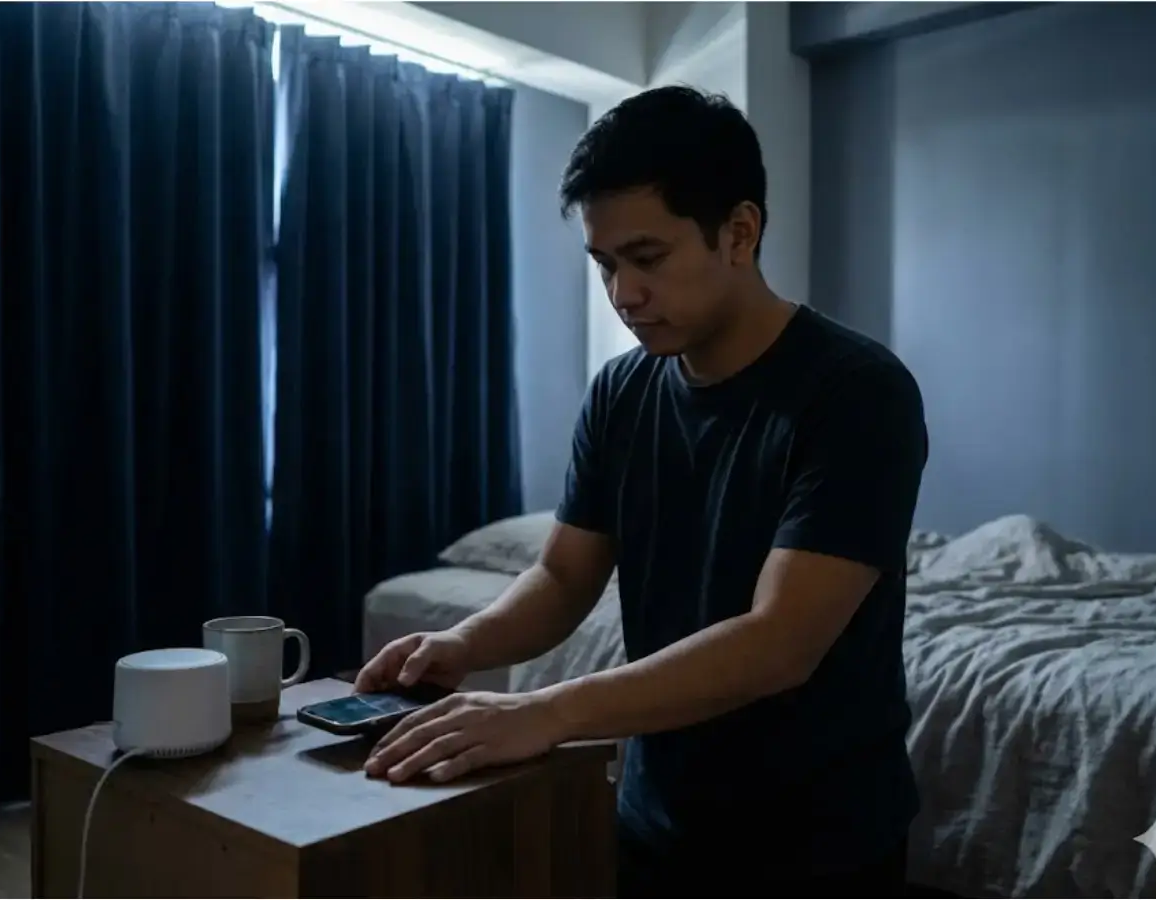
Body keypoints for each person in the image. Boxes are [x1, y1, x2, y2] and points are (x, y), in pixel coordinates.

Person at [357, 85, 928, 896]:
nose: (624, 294)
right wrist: (465, 643)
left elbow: (780, 643)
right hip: (655, 821)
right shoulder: (621, 392)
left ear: (739, 232)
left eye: (647, 258)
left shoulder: (856, 391)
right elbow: (563, 577)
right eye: (606, 265)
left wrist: (546, 711)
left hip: (817, 846)